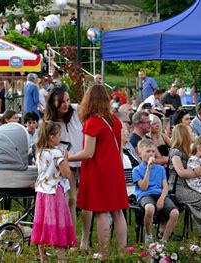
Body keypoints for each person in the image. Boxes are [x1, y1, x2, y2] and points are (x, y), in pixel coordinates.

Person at [68, 84, 128, 259]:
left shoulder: (92, 122)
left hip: (99, 171)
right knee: (117, 211)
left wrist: (67, 158)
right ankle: (124, 252)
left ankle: (104, 253)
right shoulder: (114, 120)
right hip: (115, 170)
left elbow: (88, 153)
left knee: (101, 211)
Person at [31, 121, 77, 260]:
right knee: (58, 223)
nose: (60, 137)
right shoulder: (57, 153)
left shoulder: (40, 151)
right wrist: (66, 160)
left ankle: (43, 258)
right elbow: (67, 174)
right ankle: (61, 258)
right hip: (54, 192)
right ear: (52, 137)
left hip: (42, 192)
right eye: (59, 135)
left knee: (43, 223)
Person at [44, 85, 83, 248]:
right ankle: (71, 239)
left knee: (84, 201)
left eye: (67, 100)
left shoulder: (76, 110)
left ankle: (82, 240)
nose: (66, 104)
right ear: (53, 103)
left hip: (84, 158)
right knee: (71, 200)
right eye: (61, 102)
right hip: (66, 164)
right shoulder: (50, 122)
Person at [133, 139, 179, 244]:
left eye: (153, 151)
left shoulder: (160, 169)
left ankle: (164, 240)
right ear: (140, 154)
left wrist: (162, 199)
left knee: (175, 213)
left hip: (159, 194)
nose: (151, 154)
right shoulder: (136, 170)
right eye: (148, 151)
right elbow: (143, 187)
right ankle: (148, 236)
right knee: (149, 208)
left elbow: (165, 186)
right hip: (145, 194)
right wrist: (148, 170)